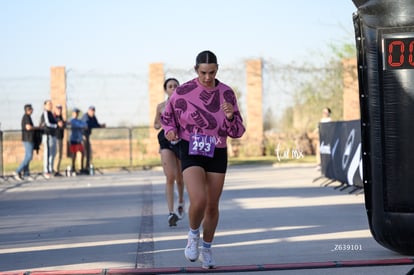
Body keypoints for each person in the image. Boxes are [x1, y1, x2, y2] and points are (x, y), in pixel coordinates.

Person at [161, 50, 246, 269]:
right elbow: (167, 118)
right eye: (203, 72)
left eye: (212, 72)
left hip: (217, 150)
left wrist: (229, 116)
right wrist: (170, 131)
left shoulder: (227, 93)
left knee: (211, 206)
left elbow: (237, 130)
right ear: (195, 69)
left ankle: (207, 250)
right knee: (198, 199)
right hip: (191, 147)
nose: (207, 77)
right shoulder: (183, 91)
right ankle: (192, 236)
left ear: (217, 69)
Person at [153, 78, 185, 227]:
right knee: (170, 176)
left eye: (175, 86)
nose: (173, 88)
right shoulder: (161, 106)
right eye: (170, 86)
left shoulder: (184, 104)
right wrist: (162, 122)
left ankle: (180, 201)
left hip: (181, 140)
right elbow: (155, 124)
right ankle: (171, 212)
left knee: (180, 176)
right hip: (166, 140)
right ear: (166, 89)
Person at [40, 100, 63, 179]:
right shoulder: (45, 113)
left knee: (53, 153)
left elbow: (54, 121)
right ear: (45, 105)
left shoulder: (51, 114)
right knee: (47, 153)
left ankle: (50, 169)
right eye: (48, 104)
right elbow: (47, 123)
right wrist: (57, 125)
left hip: (53, 135)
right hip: (47, 135)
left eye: (51, 104)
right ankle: (46, 171)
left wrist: (59, 122)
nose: (50, 105)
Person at [13, 104, 35, 181]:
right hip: (27, 139)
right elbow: (28, 127)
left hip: (30, 139)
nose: (32, 110)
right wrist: (36, 127)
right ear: (27, 110)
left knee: (27, 157)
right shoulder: (26, 117)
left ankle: (26, 173)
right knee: (29, 156)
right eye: (31, 109)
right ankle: (17, 171)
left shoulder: (28, 117)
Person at [81, 105, 106, 174]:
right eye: (91, 111)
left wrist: (100, 126)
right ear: (88, 111)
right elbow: (87, 125)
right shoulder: (86, 116)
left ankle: (87, 167)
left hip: (87, 136)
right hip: (83, 136)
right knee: (84, 152)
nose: (92, 112)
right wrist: (97, 126)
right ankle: (82, 168)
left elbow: (96, 124)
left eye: (93, 111)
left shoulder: (93, 117)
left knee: (88, 152)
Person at [68, 108, 87, 173]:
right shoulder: (71, 120)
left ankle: (81, 167)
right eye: (76, 113)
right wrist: (82, 126)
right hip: (74, 139)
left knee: (81, 153)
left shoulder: (79, 120)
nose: (77, 114)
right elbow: (78, 125)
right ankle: (73, 167)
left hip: (79, 139)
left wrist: (82, 126)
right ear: (73, 113)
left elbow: (84, 125)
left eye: (77, 113)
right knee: (74, 154)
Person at [53, 104, 66, 176]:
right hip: (56, 137)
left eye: (60, 109)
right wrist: (62, 123)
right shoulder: (54, 116)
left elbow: (63, 124)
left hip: (61, 137)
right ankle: (55, 170)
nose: (59, 110)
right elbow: (60, 124)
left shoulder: (60, 116)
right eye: (58, 109)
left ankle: (57, 169)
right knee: (57, 154)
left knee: (60, 154)